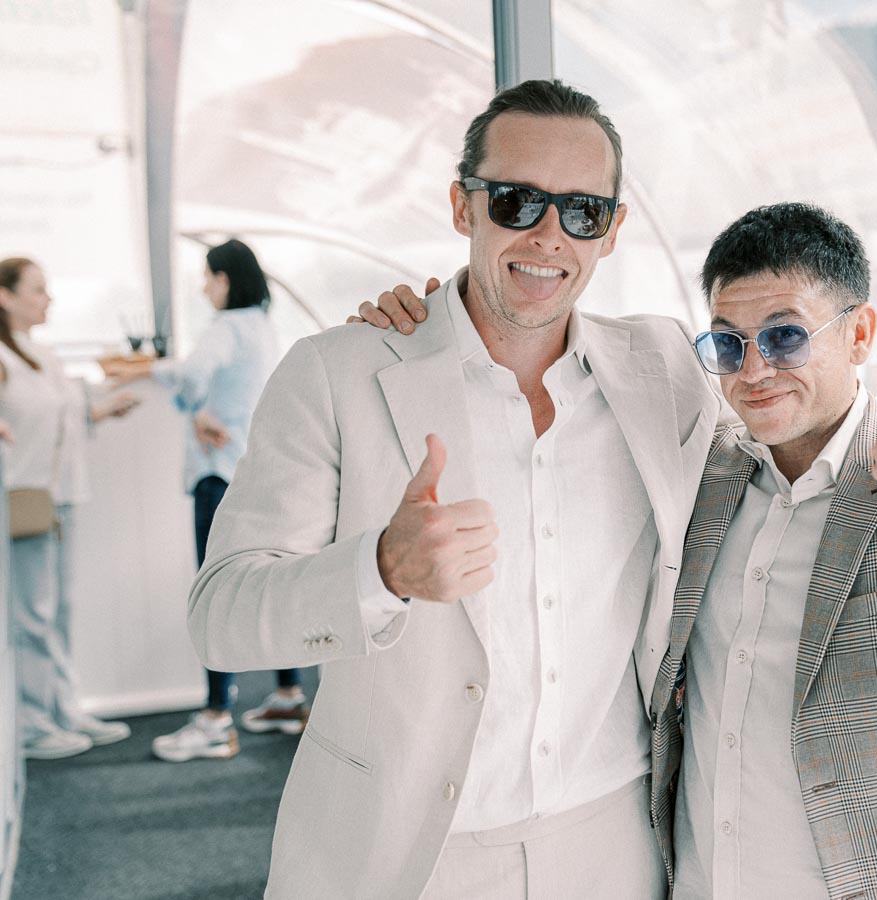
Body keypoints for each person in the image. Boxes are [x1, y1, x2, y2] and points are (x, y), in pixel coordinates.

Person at [363, 203, 877, 898]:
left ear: (860, 335)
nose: (754, 370)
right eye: (729, 344)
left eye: (786, 336)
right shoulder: (700, 470)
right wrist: (436, 320)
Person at [184, 80, 721, 898]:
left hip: (616, 846)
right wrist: (380, 574)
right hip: (410, 853)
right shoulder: (337, 373)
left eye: (582, 211)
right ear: (462, 207)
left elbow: (789, 457)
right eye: (515, 201)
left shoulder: (669, 371)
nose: (549, 234)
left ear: (611, 231)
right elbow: (221, 619)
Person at [105, 239, 310, 761]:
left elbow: (195, 374)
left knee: (215, 595)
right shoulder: (262, 326)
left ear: (225, 279)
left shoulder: (226, 327)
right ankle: (288, 695)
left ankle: (217, 717)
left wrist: (189, 405)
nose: (203, 287)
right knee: (269, 582)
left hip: (218, 475)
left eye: (208, 277)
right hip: (257, 472)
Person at [0, 257, 140, 760]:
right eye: (37, 290)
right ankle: (34, 725)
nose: (48, 298)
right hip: (23, 498)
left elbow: (65, 417)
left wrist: (105, 409)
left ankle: (63, 708)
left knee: (58, 611)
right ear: (5, 296)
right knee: (31, 616)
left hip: (61, 498)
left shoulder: (42, 355)